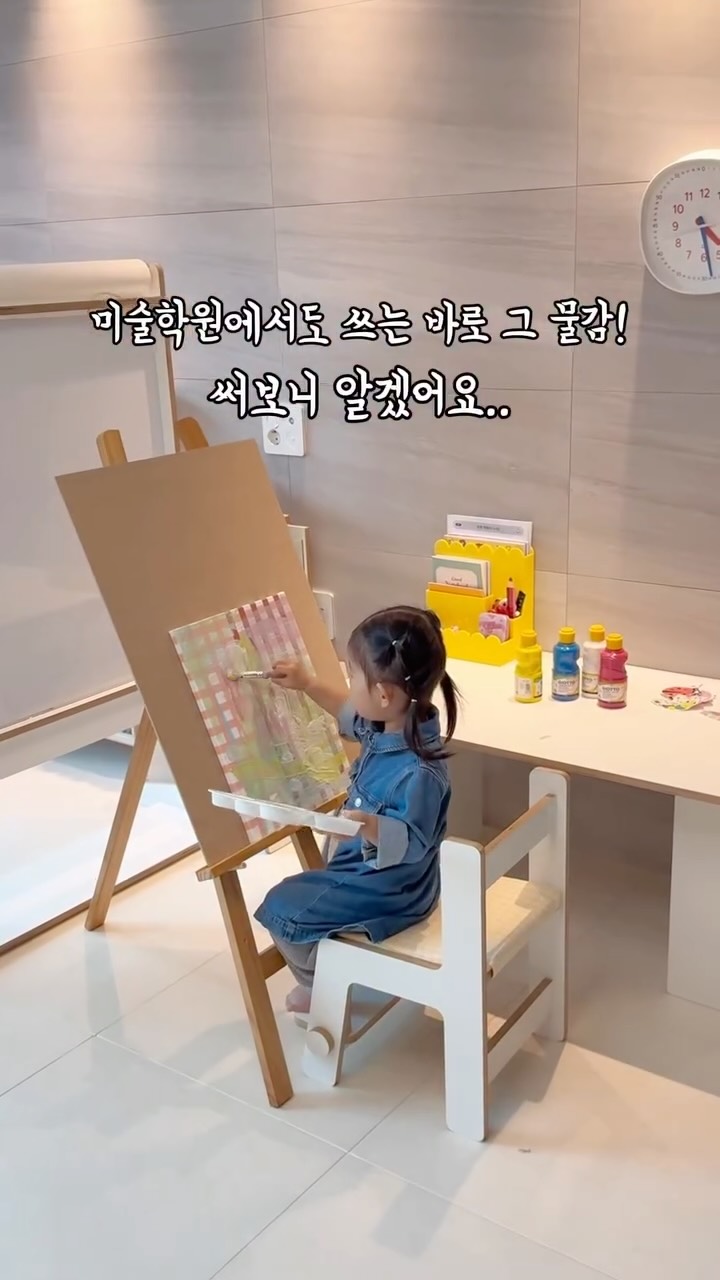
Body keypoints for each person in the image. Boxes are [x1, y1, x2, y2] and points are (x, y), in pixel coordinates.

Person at [255, 605, 459, 1014]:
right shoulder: (390, 721)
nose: (349, 687)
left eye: (352, 676)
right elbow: (348, 712)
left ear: (383, 694)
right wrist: (308, 683)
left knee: (282, 907)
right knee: (299, 897)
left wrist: (370, 826)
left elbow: (412, 842)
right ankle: (337, 969)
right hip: (366, 872)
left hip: (392, 890)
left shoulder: (419, 772)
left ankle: (322, 986)